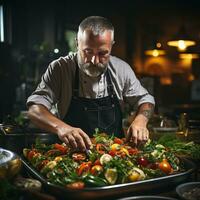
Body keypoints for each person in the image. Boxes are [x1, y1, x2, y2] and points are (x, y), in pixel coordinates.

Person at [27, 16, 155, 151]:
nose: (94, 60)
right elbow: (34, 109)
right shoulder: (60, 68)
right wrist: (62, 127)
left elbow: (145, 100)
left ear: (111, 46)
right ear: (77, 44)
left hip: (115, 156)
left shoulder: (121, 69)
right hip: (71, 155)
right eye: (88, 52)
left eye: (103, 53)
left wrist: (141, 121)